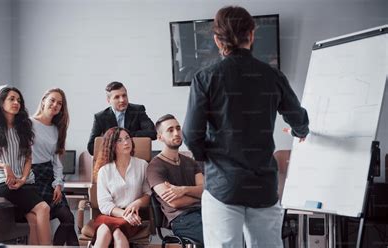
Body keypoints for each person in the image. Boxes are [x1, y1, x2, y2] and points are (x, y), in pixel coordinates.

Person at [183, 6, 309, 248]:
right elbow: (298, 119)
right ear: (251, 34)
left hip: (223, 185)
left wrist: (210, 159)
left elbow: (191, 135)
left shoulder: (205, 77)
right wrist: (300, 132)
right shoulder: (273, 76)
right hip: (263, 186)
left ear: (217, 40)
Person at [0, 86, 51, 245]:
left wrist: (23, 178)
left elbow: (28, 157)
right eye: (12, 99)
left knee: (34, 220)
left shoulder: (24, 127)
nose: (16, 103)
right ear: (1, 102)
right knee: (43, 209)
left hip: (25, 182)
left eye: (19, 100)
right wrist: (3, 166)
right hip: (4, 183)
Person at [30, 88, 79, 246]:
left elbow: (57, 161)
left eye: (60, 103)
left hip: (49, 176)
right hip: (32, 175)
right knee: (67, 219)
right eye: (52, 100)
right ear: (44, 100)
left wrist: (58, 184)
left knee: (68, 219)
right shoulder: (29, 123)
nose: (55, 105)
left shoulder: (58, 129)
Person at [146, 114, 204, 245]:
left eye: (178, 128)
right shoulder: (155, 167)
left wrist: (184, 190)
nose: (176, 133)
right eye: (170, 130)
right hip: (182, 219)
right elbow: (175, 202)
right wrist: (200, 196)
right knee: (216, 237)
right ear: (160, 137)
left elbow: (206, 189)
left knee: (235, 231)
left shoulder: (191, 162)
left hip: (204, 211)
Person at [93, 127, 151, 248]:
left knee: (118, 234)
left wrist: (137, 202)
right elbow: (104, 204)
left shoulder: (142, 165)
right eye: (119, 140)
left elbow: (148, 194)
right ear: (111, 145)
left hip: (134, 216)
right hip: (111, 214)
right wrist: (125, 214)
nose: (126, 142)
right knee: (103, 232)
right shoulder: (104, 170)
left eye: (127, 138)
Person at [87, 81, 156, 155]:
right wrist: (113, 142)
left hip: (134, 155)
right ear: (108, 100)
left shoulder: (137, 110)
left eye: (124, 95)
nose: (122, 100)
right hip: (111, 158)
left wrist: (126, 135)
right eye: (117, 97)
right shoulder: (100, 117)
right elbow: (91, 147)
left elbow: (153, 133)